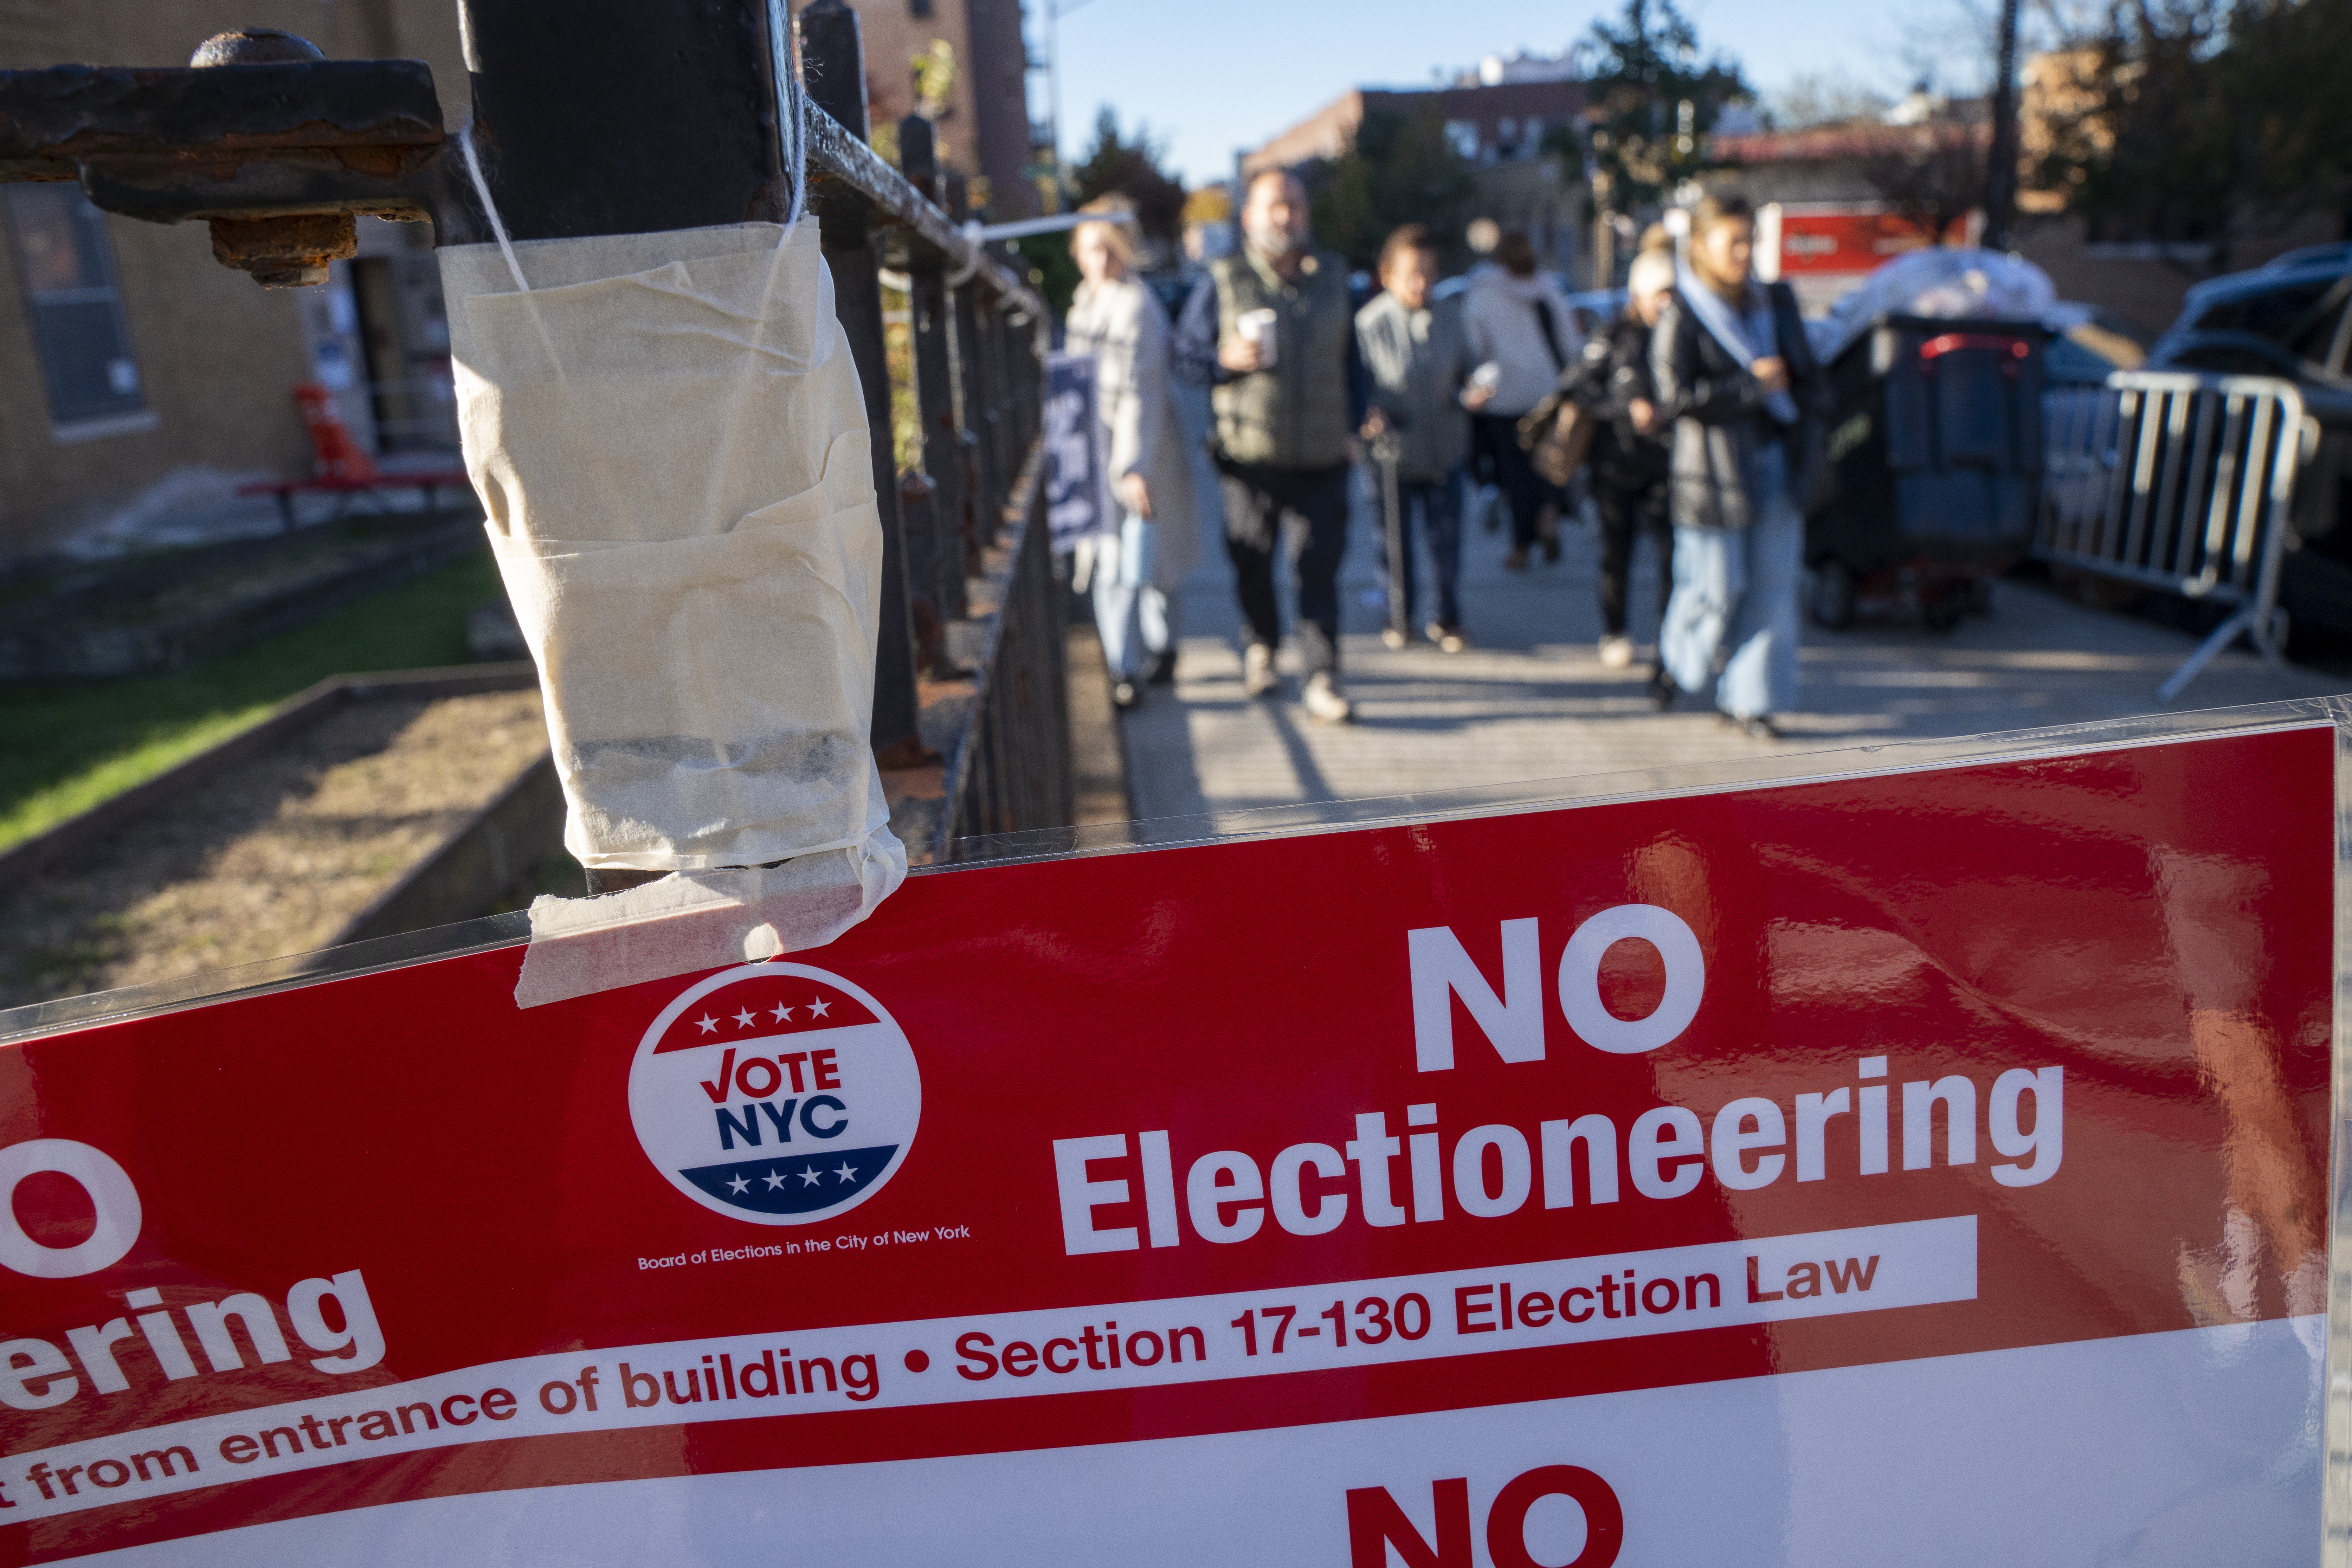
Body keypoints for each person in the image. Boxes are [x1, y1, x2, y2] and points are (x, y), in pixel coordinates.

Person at [1189, 168, 1366, 724]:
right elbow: (1184, 359)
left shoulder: (1336, 278)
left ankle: (1320, 675)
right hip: (1248, 459)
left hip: (1322, 458)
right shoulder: (1221, 279)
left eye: (1293, 204)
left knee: (1318, 570)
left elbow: (1355, 364)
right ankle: (1261, 644)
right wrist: (1223, 361)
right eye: (1273, 206)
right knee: (1250, 564)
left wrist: (1360, 423)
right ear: (1248, 217)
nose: (1285, 216)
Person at [1651, 193, 1828, 737]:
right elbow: (1672, 396)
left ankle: (1749, 701)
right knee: (1716, 584)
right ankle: (1678, 663)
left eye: (1749, 241)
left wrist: (1796, 391)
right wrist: (1750, 387)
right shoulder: (1681, 310)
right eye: (1733, 242)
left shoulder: (1774, 302)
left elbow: (1809, 376)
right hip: (1711, 472)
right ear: (1700, 246)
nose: (1744, 253)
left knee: (1774, 585)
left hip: (1776, 457)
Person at [1064, 196, 1198, 708]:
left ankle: (1157, 651)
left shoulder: (1135, 305)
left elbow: (1140, 393)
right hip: (1100, 451)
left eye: (1110, 249)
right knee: (1115, 564)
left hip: (1138, 452)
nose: (1100, 260)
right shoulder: (1086, 300)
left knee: (1145, 563)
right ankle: (1124, 667)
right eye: (1091, 249)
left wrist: (1133, 467)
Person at [1355, 223, 1489, 653]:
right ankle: (1399, 617)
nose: (1421, 283)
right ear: (1388, 275)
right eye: (1412, 273)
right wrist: (1366, 413)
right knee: (1394, 545)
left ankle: (1446, 617)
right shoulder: (1369, 323)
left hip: (1444, 447)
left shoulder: (1450, 317)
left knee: (1446, 542)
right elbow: (1355, 384)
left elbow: (1467, 370)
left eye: (1429, 273)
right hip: (1391, 455)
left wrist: (1475, 389)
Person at [1566, 245, 1676, 671]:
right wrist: (1624, 409)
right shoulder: (1612, 336)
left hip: (1667, 464)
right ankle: (1615, 631)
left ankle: (1669, 638)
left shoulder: (1683, 334)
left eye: (1673, 294)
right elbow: (1577, 388)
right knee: (1617, 552)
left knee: (1672, 555)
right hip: (1615, 464)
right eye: (1659, 295)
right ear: (1639, 296)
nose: (1666, 304)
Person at [1464, 230, 1580, 570]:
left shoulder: (1484, 293)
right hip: (1546, 391)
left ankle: (1521, 545)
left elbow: (1474, 346)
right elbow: (1570, 343)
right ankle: (1549, 512)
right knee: (1547, 465)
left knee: (1515, 475)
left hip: (1504, 394)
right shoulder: (1549, 289)